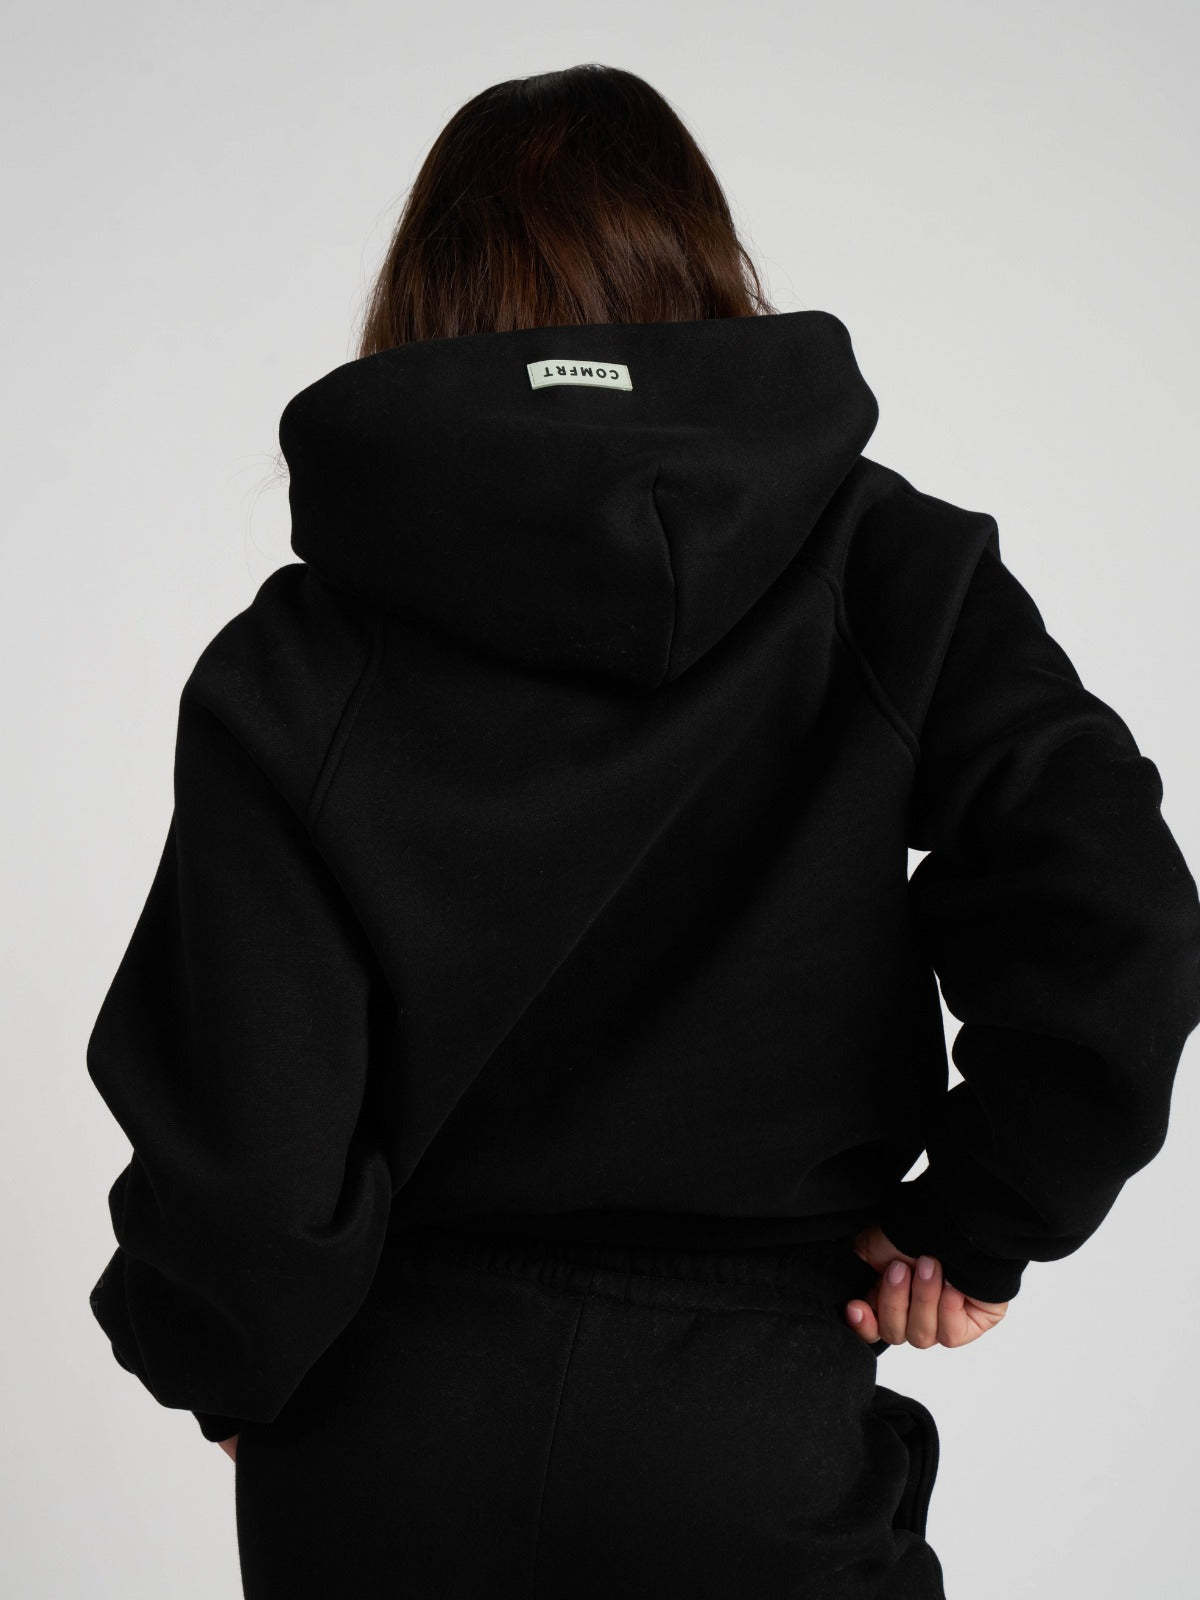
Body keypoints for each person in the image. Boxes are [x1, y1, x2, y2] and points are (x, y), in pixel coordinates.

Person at [85, 63, 1200, 1599]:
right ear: (707, 273)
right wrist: (980, 1219)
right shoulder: (893, 576)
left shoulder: (302, 657)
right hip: (751, 1434)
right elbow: (1112, 915)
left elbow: (252, 1100)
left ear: (427, 292)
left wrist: (226, 1348)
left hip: (387, 1444)